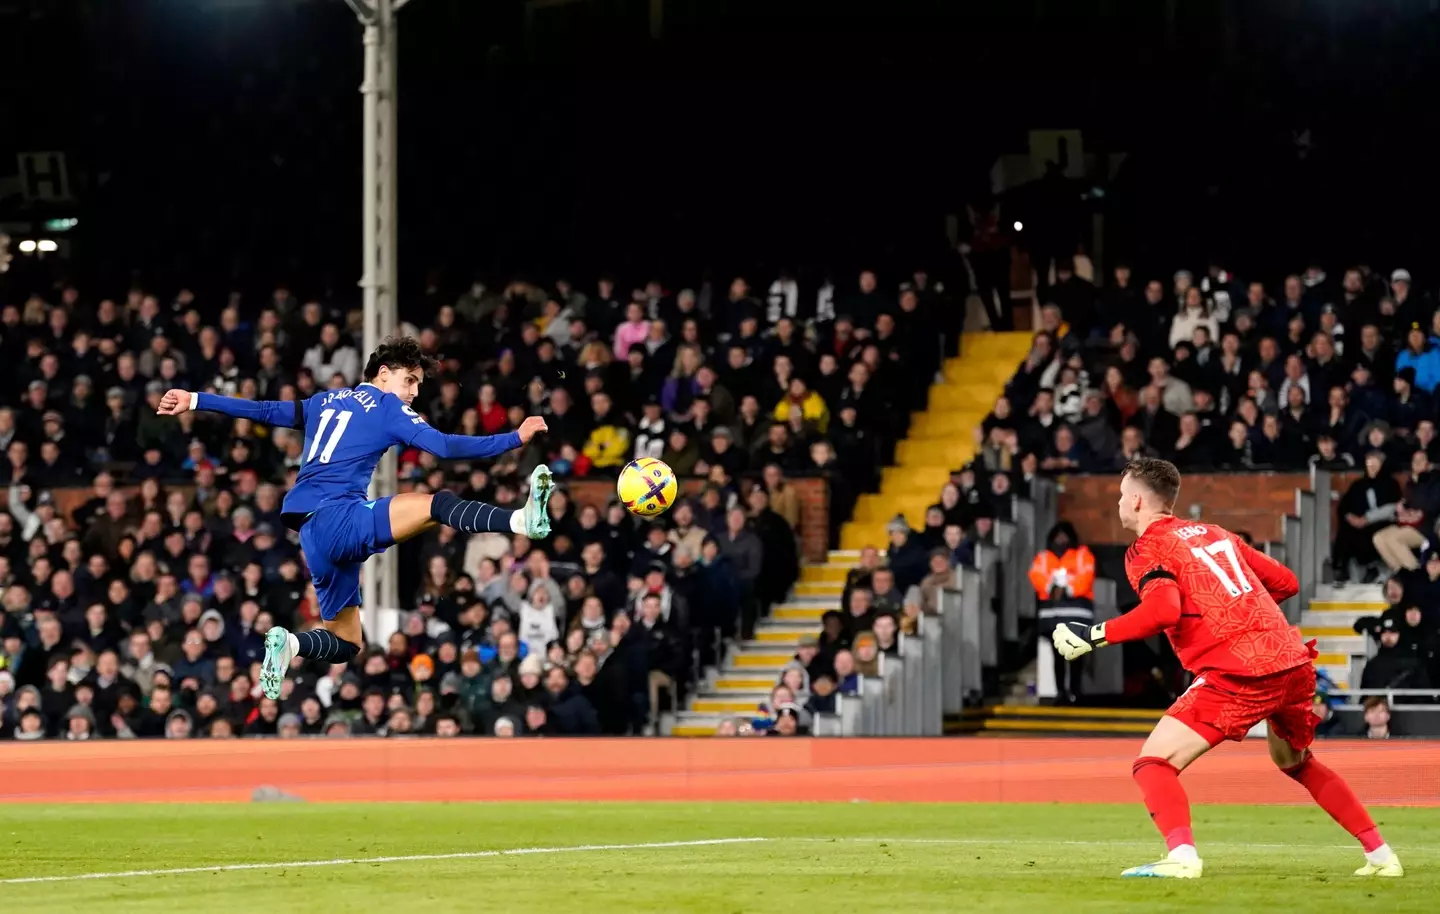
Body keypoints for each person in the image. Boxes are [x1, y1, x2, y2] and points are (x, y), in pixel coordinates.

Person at [1051, 457, 1402, 879]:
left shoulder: (1148, 547)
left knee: (1153, 763)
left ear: (1140, 502)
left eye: (1123, 495)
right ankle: (1382, 857)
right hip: (1289, 660)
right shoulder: (1216, 533)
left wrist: (1094, 635)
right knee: (1297, 763)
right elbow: (1287, 582)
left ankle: (1181, 858)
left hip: (1240, 671)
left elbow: (1163, 611)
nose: (1119, 503)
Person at [156, 335, 554, 700]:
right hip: (340, 517)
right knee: (437, 504)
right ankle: (520, 520)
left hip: (311, 534)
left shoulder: (323, 401)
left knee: (347, 643)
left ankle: (290, 644)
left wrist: (195, 399)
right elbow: (445, 447)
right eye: (410, 380)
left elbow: (262, 410)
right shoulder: (386, 407)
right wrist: (514, 438)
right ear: (383, 374)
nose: (414, 392)